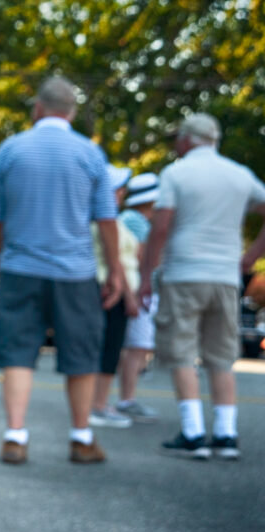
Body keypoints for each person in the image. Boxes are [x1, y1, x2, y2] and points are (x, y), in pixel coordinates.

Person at [0, 76, 125, 465]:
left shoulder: (10, 150)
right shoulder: (90, 154)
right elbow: (107, 220)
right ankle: (81, 437)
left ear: (37, 108)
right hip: (75, 273)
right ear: (72, 113)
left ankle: (15, 436)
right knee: (81, 354)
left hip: (20, 268)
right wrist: (116, 271)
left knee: (17, 354)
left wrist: (2, 255)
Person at [139, 114, 265, 459]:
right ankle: (226, 434)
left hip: (183, 273)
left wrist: (146, 276)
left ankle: (193, 431)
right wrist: (251, 256)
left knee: (180, 352)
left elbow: (161, 228)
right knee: (221, 357)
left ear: (187, 139)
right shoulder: (239, 175)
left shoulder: (176, 174)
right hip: (225, 277)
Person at [89, 166, 141, 428]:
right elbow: (116, 260)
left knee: (109, 348)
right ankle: (97, 405)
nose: (122, 193)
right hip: (113, 291)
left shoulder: (113, 219)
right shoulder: (105, 221)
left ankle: (98, 402)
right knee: (109, 349)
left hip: (114, 289)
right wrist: (129, 296)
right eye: (118, 188)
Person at [114, 173, 161, 422]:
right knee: (137, 346)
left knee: (136, 346)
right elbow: (146, 258)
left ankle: (126, 398)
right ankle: (127, 400)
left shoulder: (131, 219)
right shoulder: (136, 221)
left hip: (137, 290)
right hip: (140, 291)